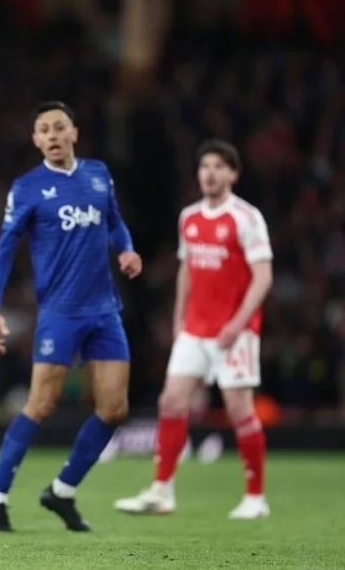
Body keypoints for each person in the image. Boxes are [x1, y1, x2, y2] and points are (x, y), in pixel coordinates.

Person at [0, 101, 142, 533]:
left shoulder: (98, 174)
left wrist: (125, 249)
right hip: (60, 314)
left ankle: (62, 491)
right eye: (43, 129)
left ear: (74, 133)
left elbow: (115, 223)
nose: (51, 134)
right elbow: (4, 250)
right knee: (41, 405)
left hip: (105, 311)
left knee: (114, 409)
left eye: (58, 127)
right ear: (35, 140)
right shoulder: (27, 187)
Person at [114, 140, 273, 519]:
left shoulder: (246, 218)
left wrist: (237, 324)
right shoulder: (189, 217)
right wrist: (178, 320)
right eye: (205, 167)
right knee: (171, 401)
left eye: (219, 167)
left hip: (235, 333)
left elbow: (263, 277)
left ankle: (256, 497)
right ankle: (162, 490)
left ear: (233, 174)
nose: (211, 173)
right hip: (194, 331)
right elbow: (187, 270)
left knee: (239, 410)